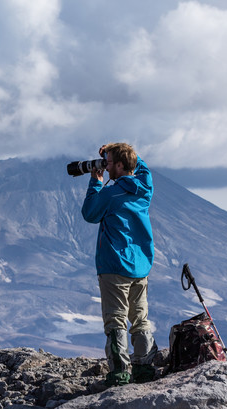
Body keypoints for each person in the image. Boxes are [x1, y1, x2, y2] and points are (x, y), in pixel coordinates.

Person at [81, 143, 158, 386]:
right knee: (140, 319)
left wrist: (95, 181)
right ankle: (144, 369)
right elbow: (142, 168)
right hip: (141, 266)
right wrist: (121, 150)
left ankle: (120, 373)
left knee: (115, 321)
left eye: (109, 161)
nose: (106, 165)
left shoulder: (111, 194)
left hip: (114, 266)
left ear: (121, 165)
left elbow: (90, 214)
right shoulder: (145, 189)